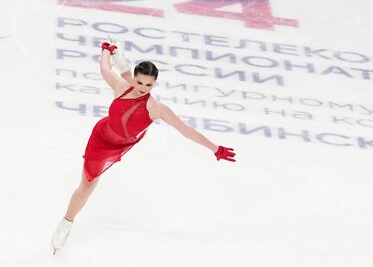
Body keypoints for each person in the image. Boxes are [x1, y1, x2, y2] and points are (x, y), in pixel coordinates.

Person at [50, 39, 236, 254]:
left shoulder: (157, 108)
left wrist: (215, 148)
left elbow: (186, 131)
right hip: (102, 138)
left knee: (141, 107)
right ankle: (67, 222)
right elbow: (104, 68)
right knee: (88, 185)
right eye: (140, 83)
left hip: (128, 138)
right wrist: (105, 51)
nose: (143, 88)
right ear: (136, 79)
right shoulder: (122, 86)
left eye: (149, 85)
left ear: (154, 84)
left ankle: (123, 64)